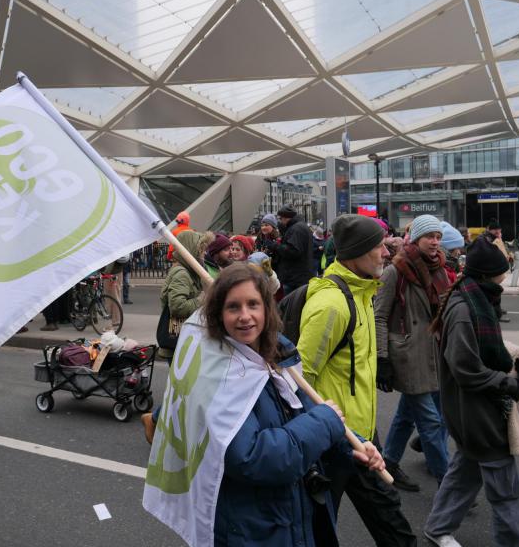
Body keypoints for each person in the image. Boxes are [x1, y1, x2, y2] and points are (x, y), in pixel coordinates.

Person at [205, 264, 384, 546]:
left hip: (295, 515)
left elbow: (303, 411)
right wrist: (326, 423)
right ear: (218, 314)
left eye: (253, 304)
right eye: (233, 307)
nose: (245, 316)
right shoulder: (217, 372)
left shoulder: (279, 351)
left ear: (267, 307)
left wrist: (353, 447)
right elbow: (250, 457)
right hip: (252, 529)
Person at [297, 214, 417, 547]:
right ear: (355, 252)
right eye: (378, 245)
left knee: (394, 527)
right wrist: (323, 431)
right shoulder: (331, 305)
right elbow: (300, 377)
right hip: (334, 441)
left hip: (363, 437)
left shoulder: (364, 293)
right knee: (319, 531)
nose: (386, 252)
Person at [424, 238, 519, 547]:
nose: (507, 271)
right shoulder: (465, 308)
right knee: (509, 492)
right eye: (504, 267)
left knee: (465, 472)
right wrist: (506, 383)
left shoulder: (474, 297)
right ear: (491, 274)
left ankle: (437, 528)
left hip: (469, 409)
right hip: (477, 412)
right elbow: (465, 367)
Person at [375, 214, 451, 492]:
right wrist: (382, 358)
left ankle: (390, 461)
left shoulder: (440, 269)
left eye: (438, 236)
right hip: (407, 355)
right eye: (429, 236)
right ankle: (449, 486)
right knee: (431, 423)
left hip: (434, 355)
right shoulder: (396, 270)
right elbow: (379, 316)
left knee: (408, 415)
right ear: (416, 238)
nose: (435, 242)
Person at [143, 230, 213, 440]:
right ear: (189, 250)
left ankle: (171, 424)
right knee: (183, 388)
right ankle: (155, 419)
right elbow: (177, 307)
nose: (203, 254)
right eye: (200, 249)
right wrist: (203, 297)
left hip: (186, 338)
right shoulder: (182, 273)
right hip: (178, 340)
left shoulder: (189, 271)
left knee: (185, 386)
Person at [266, 205, 314, 294]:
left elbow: (293, 251)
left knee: (292, 306)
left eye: (281, 218)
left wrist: (275, 246)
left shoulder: (296, 229)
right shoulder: (300, 227)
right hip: (299, 276)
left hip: (295, 278)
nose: (280, 221)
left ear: (286, 217)